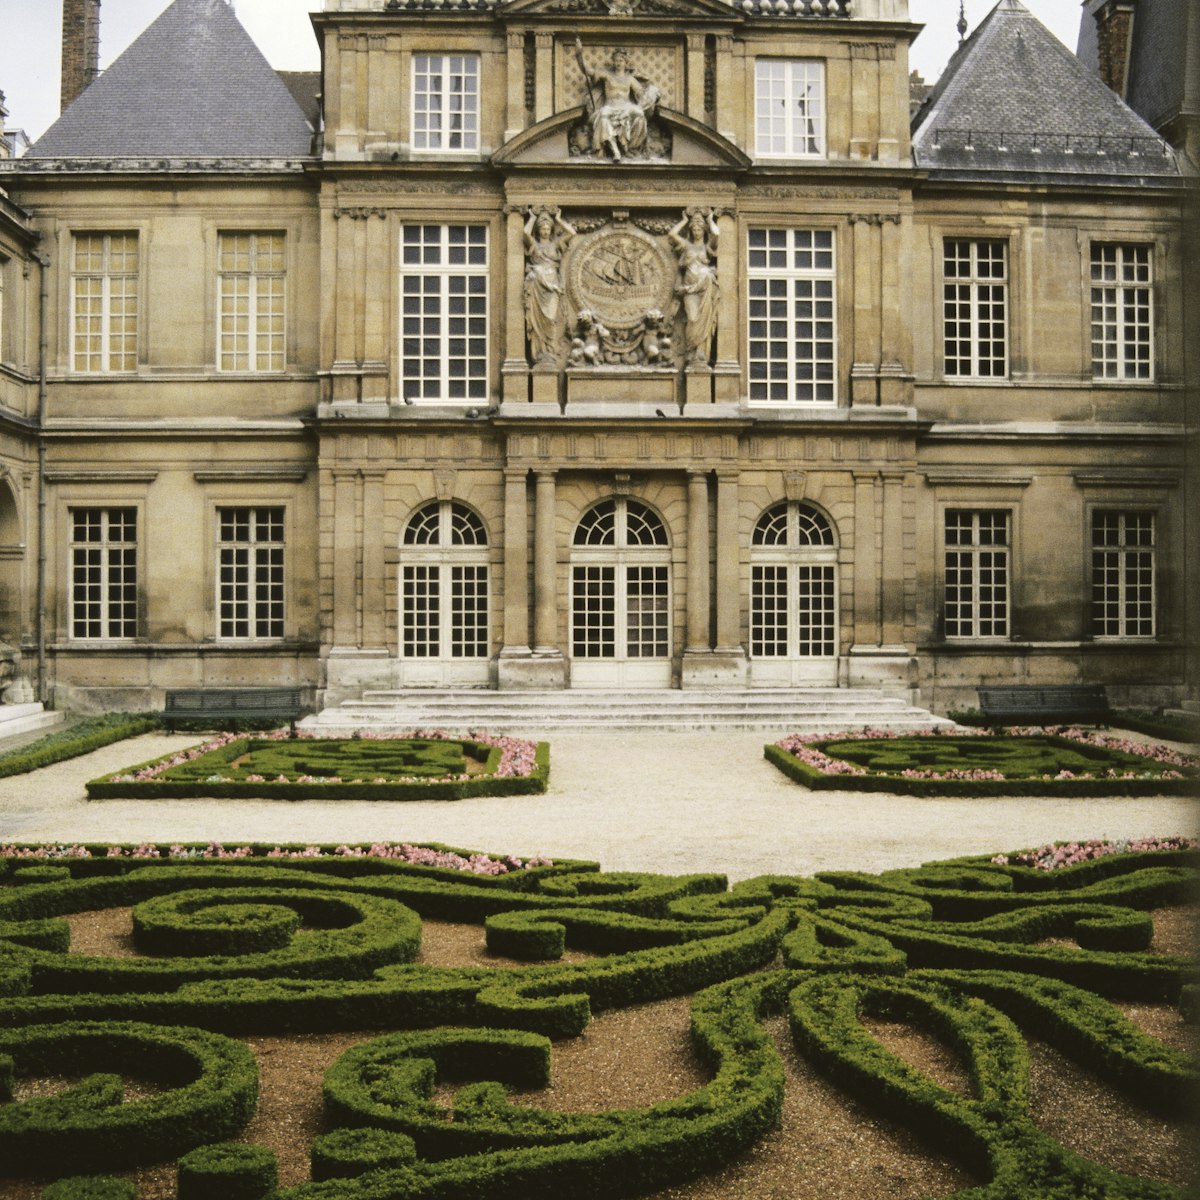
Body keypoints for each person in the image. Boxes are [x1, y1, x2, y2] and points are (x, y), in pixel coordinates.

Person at [574, 40, 659, 161]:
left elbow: (641, 94)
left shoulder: (630, 79)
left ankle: (631, 147)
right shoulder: (607, 75)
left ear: (626, 63)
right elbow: (588, 71)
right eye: (616, 60)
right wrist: (579, 55)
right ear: (613, 62)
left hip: (626, 107)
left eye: (621, 60)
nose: (618, 63)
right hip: (610, 107)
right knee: (603, 115)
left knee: (639, 114)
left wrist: (652, 95)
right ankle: (614, 149)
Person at [523, 207, 576, 364]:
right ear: (538, 230)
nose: (545, 231)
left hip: (552, 285)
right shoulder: (534, 245)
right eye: (542, 229)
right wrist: (532, 218)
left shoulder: (556, 243)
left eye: (548, 228)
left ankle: (550, 350)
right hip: (537, 286)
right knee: (537, 320)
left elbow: (572, 233)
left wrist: (559, 220)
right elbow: (525, 233)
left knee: (551, 318)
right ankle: (541, 354)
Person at [669, 208, 720, 364]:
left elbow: (716, 234)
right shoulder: (686, 246)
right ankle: (691, 349)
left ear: (704, 230)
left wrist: (710, 220)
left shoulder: (707, 247)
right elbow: (672, 235)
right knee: (692, 319)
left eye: (699, 229)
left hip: (706, 288)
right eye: (694, 229)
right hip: (690, 290)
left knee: (705, 320)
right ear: (691, 230)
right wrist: (684, 221)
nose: (697, 231)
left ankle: (700, 355)